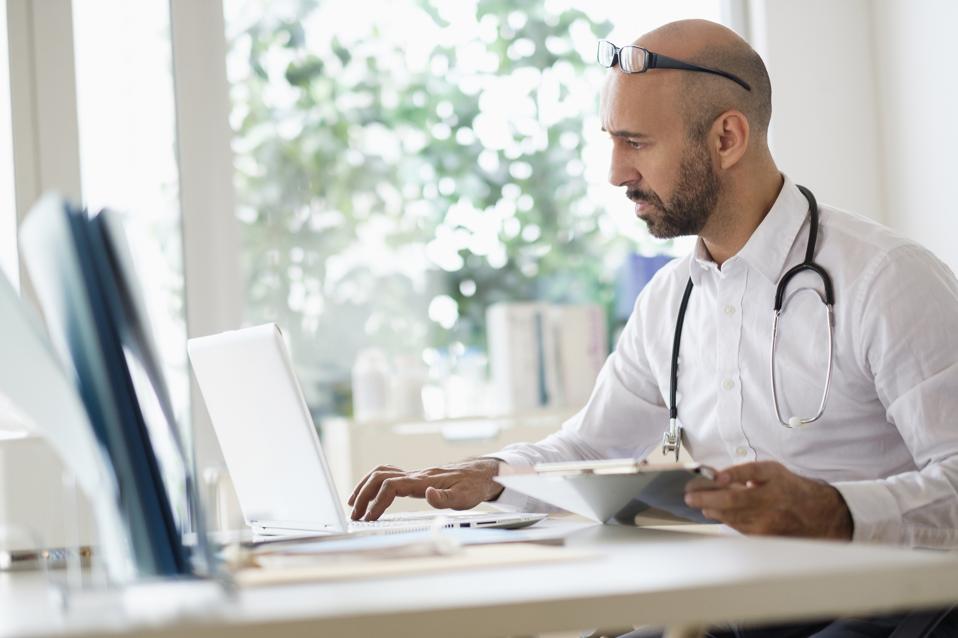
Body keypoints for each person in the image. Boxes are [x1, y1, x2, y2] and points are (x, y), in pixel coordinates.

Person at [348, 18, 958, 637]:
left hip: (883, 604)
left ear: (726, 138)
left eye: (635, 143)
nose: (615, 173)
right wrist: (493, 473)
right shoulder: (670, 300)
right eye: (611, 141)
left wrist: (834, 512)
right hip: (737, 605)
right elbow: (591, 448)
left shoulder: (887, 280)